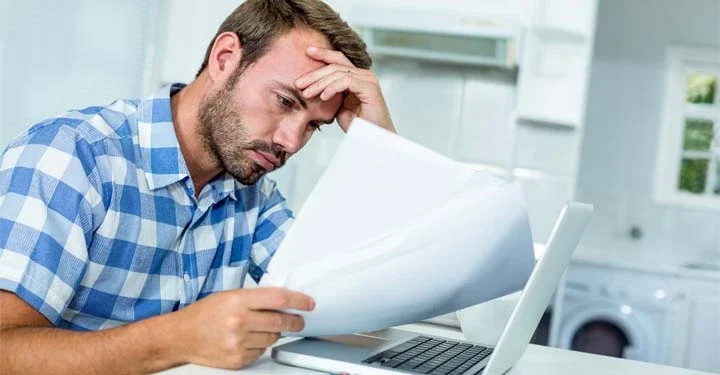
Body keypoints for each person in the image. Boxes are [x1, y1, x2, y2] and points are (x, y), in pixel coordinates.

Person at [0, 0, 395, 373]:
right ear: (225, 59)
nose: (291, 142)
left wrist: (381, 145)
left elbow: (359, 308)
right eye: (284, 101)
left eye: (312, 126)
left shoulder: (251, 192)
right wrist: (175, 339)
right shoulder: (71, 158)